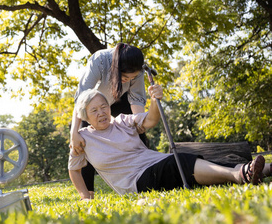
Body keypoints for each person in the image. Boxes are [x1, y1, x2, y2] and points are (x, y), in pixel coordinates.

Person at [68, 86, 271, 199]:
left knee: (200, 165)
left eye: (104, 106)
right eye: (94, 110)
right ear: (85, 115)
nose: (101, 112)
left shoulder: (121, 121)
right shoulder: (83, 138)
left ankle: (265, 169)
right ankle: (240, 175)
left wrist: (155, 101)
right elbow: (74, 169)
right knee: (179, 163)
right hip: (137, 182)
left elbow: (150, 120)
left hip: (157, 163)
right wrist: (85, 196)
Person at [70, 43, 148, 198]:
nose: (128, 81)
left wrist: (140, 124)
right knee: (83, 139)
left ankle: (144, 173)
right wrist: (74, 133)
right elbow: (81, 99)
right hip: (94, 103)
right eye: (125, 77)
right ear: (115, 68)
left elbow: (137, 99)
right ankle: (87, 194)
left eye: (131, 78)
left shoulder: (138, 70)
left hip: (121, 100)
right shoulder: (99, 61)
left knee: (138, 132)